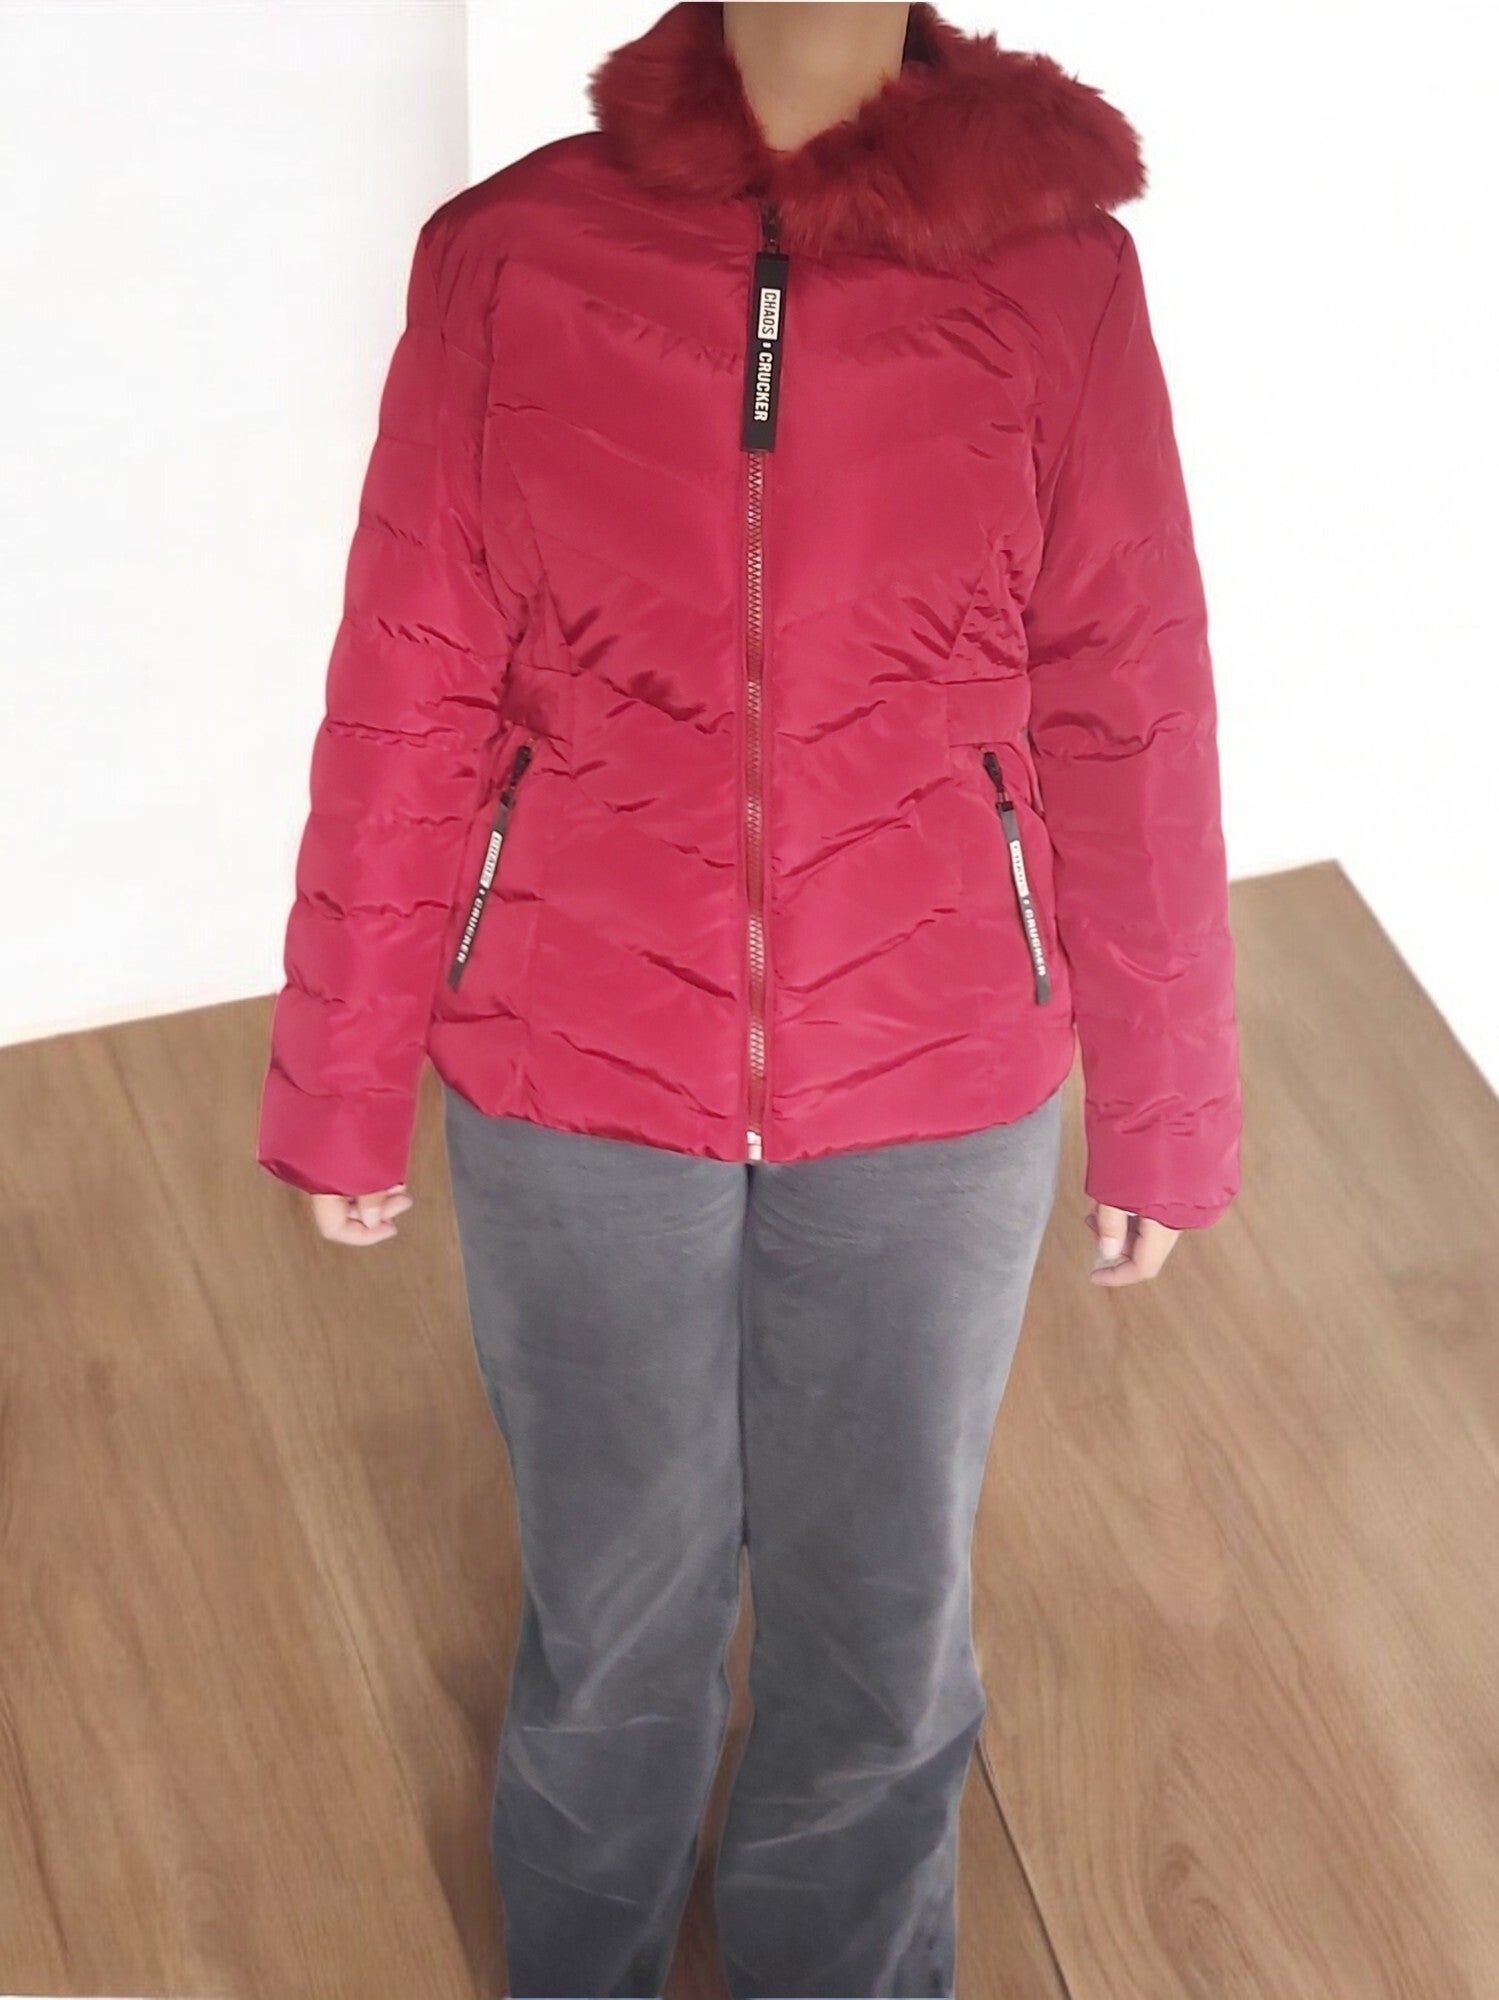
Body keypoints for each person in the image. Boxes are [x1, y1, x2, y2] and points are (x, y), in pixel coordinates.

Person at [256, 3, 1243, 1994]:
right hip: (572, 1057)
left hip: (936, 1067)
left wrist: (1164, 1096)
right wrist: (343, 1069)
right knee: (612, 1616)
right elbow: (412, 673)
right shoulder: (514, 253)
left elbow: (1127, 692)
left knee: (881, 1628)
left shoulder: (1056, 275)